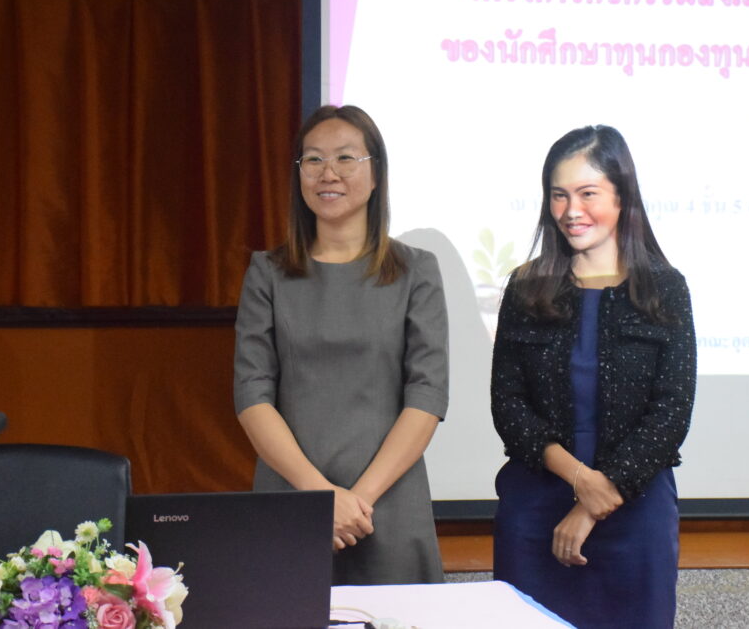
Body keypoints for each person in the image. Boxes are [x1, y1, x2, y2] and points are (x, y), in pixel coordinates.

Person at [233, 104, 449, 585]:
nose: (327, 173)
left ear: (376, 174)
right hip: (291, 500)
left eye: (346, 158)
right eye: (313, 159)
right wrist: (321, 497)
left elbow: (427, 396)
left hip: (388, 503)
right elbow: (252, 394)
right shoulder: (267, 273)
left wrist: (358, 501)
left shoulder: (416, 271)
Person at [490, 125, 696, 627]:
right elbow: (508, 403)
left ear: (623, 196)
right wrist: (580, 480)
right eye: (558, 195)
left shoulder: (665, 289)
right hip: (535, 508)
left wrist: (594, 501)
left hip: (635, 510)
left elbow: (671, 412)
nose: (570, 210)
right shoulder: (526, 287)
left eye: (587, 194)